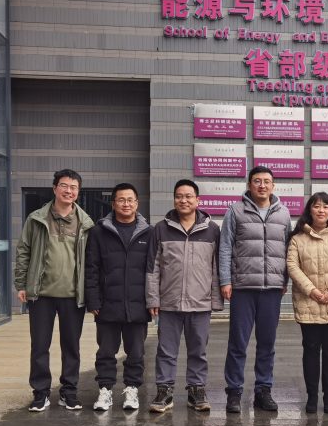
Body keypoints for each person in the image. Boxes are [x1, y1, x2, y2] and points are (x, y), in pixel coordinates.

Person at [15, 169, 94, 412]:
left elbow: (91, 261)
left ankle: (69, 392)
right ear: (54, 188)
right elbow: (23, 251)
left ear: (78, 192)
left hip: (72, 295)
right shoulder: (36, 218)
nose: (69, 191)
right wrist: (21, 284)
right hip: (41, 294)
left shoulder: (86, 223)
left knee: (71, 347)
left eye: (73, 187)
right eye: (64, 186)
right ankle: (41, 393)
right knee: (40, 346)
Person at [146, 179, 223, 413]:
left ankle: (196, 390)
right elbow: (152, 267)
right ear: (174, 200)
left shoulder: (212, 230)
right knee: (166, 351)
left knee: (198, 350)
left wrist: (215, 299)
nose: (184, 200)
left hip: (200, 303)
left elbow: (216, 267)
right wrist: (153, 298)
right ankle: (164, 391)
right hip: (169, 302)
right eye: (179, 196)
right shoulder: (161, 229)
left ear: (197, 200)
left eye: (188, 196)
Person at [219, 166, 291, 413]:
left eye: (266, 181)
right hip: (243, 287)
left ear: (273, 185)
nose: (262, 185)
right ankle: (234, 391)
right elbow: (225, 247)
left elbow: (287, 249)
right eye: (257, 181)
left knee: (267, 343)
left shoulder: (283, 213)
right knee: (238, 343)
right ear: (249, 184)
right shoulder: (235, 211)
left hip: (272, 289)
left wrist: (284, 280)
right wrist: (225, 280)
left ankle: (263, 390)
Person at [85, 182, 152, 412]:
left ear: (137, 203)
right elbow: (91, 268)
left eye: (130, 200)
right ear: (113, 204)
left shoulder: (148, 232)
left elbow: (154, 269)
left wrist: (152, 300)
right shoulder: (99, 232)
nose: (126, 204)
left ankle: (132, 390)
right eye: (121, 200)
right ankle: (105, 390)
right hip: (107, 304)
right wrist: (93, 299)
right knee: (106, 352)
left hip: (138, 304)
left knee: (136, 352)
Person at [286, 192, 328, 414]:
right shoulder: (297, 238)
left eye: (325, 206)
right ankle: (312, 397)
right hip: (308, 302)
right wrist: (312, 291)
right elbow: (292, 266)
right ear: (309, 210)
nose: (321, 210)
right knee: (311, 350)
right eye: (316, 206)